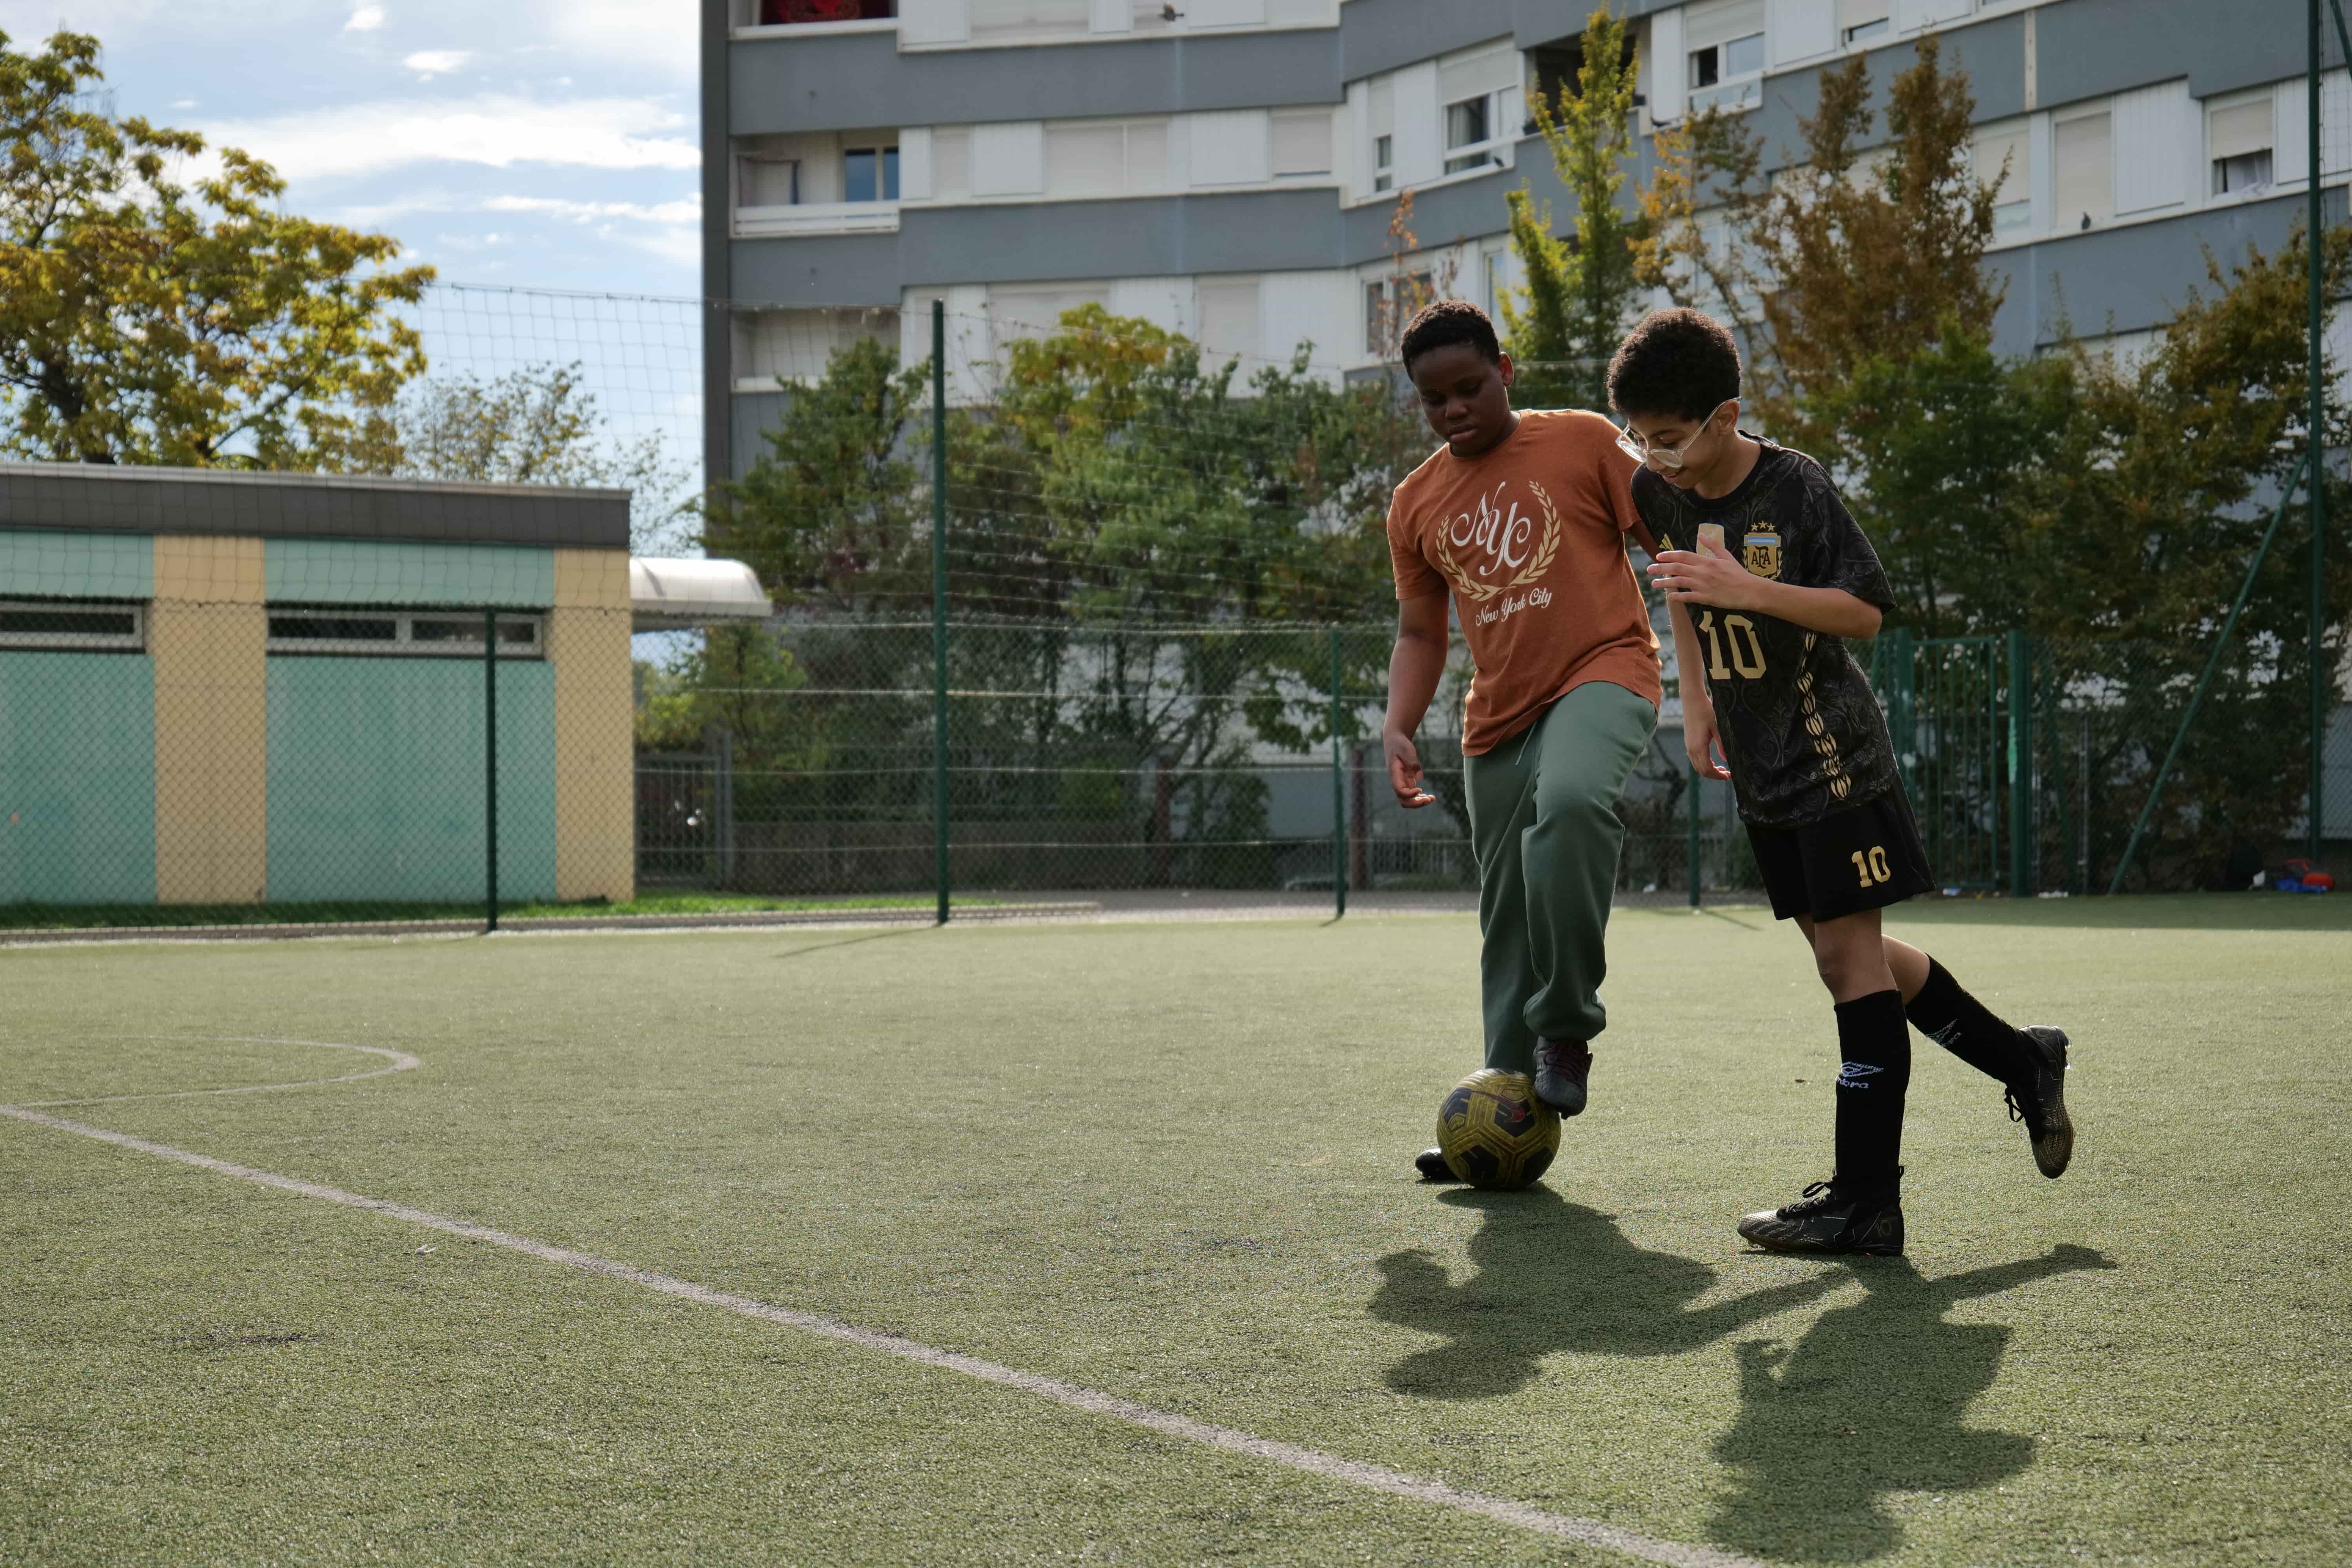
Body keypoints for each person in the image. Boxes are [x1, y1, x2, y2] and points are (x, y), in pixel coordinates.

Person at [1612, 307, 2074, 1257]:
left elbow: (1864, 611)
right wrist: (1694, 700)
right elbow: (1683, 593)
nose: (1654, 456)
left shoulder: (1796, 486)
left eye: (1670, 436)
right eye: (1639, 437)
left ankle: (1867, 1202)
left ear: (1725, 415)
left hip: (1833, 755)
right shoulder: (1658, 490)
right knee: (1852, 952)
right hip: (1763, 767)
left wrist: (1751, 589)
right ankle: (2024, 1059)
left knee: (1846, 963)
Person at [1378, 300, 1662, 1183]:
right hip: (1495, 719)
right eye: (1434, 399)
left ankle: (1566, 1027)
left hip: (1606, 670)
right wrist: (1397, 722)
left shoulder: (1584, 441)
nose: (1454, 408)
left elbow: (1673, 539)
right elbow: (1421, 631)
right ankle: (1500, 1102)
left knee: (1571, 807)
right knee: (1505, 914)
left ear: (1504, 370)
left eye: (1469, 387)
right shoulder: (1414, 502)